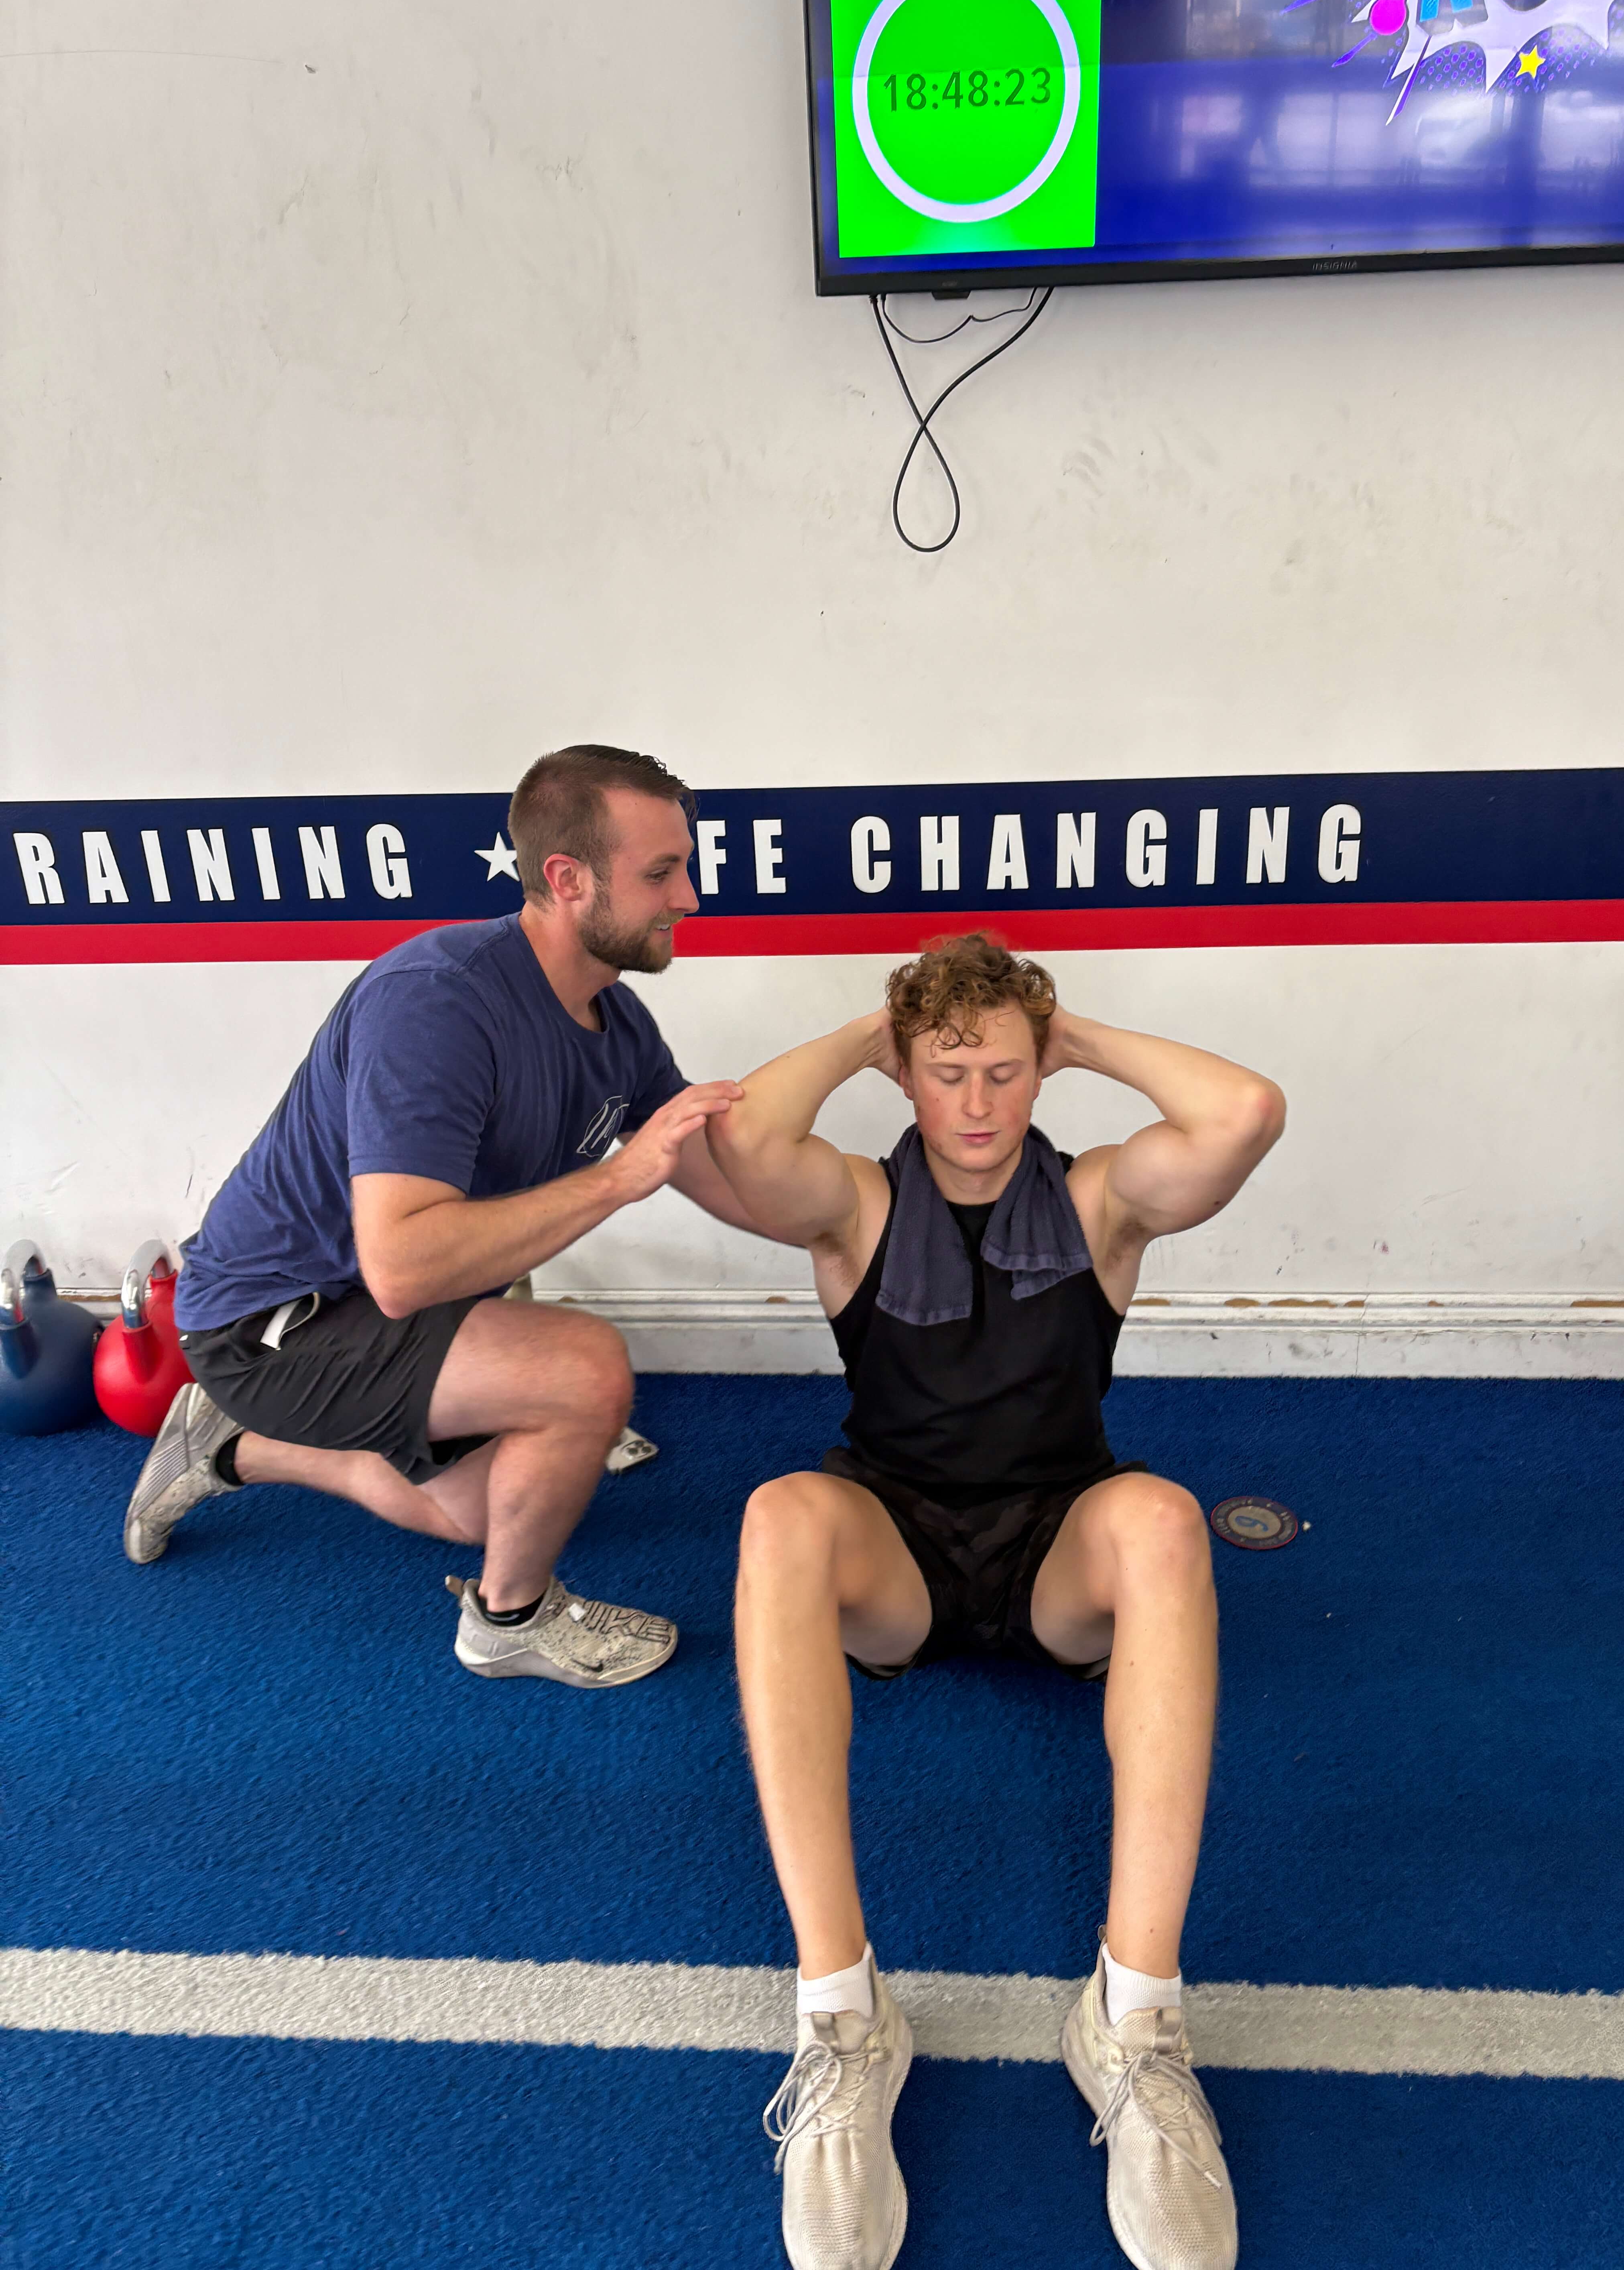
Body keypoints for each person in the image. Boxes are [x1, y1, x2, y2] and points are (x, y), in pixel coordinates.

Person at [705, 934, 1285, 2270]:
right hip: (894, 1555)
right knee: (778, 1512)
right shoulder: (855, 1204)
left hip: (1055, 1556)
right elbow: (739, 1138)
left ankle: (1132, 2020)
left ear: (1043, 1069)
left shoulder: (1094, 1200)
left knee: (1160, 1518)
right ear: (905, 1078)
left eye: (1006, 1073)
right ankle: (844, 2020)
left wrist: (1071, 1038)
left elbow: (1243, 1112)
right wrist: (877, 1035)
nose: (976, 1105)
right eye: (947, 1074)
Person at [125, 744, 763, 1691]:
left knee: (488, 1511)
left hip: (383, 1310)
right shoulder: (439, 999)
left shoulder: (615, 1025)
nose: (691, 898)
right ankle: (509, 1620)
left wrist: (877, 1197)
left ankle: (224, 1446)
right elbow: (402, 1266)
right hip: (274, 1321)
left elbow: (729, 1175)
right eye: (662, 872)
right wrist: (617, 1181)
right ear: (567, 878)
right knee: (584, 1373)